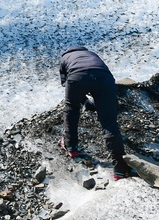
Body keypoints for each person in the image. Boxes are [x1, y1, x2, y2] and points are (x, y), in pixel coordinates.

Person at [58, 46, 135, 179]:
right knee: (109, 122)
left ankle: (71, 146)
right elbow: (95, 72)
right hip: (104, 78)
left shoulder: (65, 58)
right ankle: (120, 168)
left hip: (77, 77)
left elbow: (67, 85)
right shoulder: (91, 53)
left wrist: (83, 100)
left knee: (71, 109)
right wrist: (88, 100)